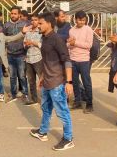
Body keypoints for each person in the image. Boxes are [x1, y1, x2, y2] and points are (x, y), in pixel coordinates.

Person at [29, 12, 75, 151]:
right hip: (47, 81)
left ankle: (68, 139)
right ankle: (43, 132)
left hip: (57, 83)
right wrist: (42, 77)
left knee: (62, 112)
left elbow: (67, 60)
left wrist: (69, 82)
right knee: (46, 108)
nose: (38, 25)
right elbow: (47, 61)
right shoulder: (45, 38)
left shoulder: (57, 39)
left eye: (41, 23)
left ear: (49, 24)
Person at [67, 11, 94, 113]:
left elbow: (89, 45)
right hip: (73, 59)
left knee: (87, 83)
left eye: (83, 20)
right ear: (75, 19)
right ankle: (77, 101)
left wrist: (76, 42)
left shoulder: (88, 30)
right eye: (79, 20)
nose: (81, 22)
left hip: (84, 60)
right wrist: (69, 43)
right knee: (75, 83)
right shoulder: (71, 30)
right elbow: (69, 46)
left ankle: (89, 104)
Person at [3, 6, 29, 102]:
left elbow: (28, 37)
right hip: (10, 55)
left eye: (15, 13)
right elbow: (4, 39)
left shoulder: (24, 24)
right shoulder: (6, 25)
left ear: (19, 15)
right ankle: (13, 94)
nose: (13, 15)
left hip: (21, 54)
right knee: (12, 76)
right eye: (12, 13)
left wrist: (26, 53)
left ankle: (25, 94)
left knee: (22, 76)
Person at [23, 13, 42, 106]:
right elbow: (24, 42)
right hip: (29, 59)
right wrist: (25, 44)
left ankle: (46, 99)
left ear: (39, 21)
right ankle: (34, 99)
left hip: (38, 58)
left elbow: (42, 45)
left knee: (42, 80)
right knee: (31, 80)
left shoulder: (41, 31)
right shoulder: (28, 31)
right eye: (32, 20)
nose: (33, 22)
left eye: (35, 20)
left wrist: (33, 43)